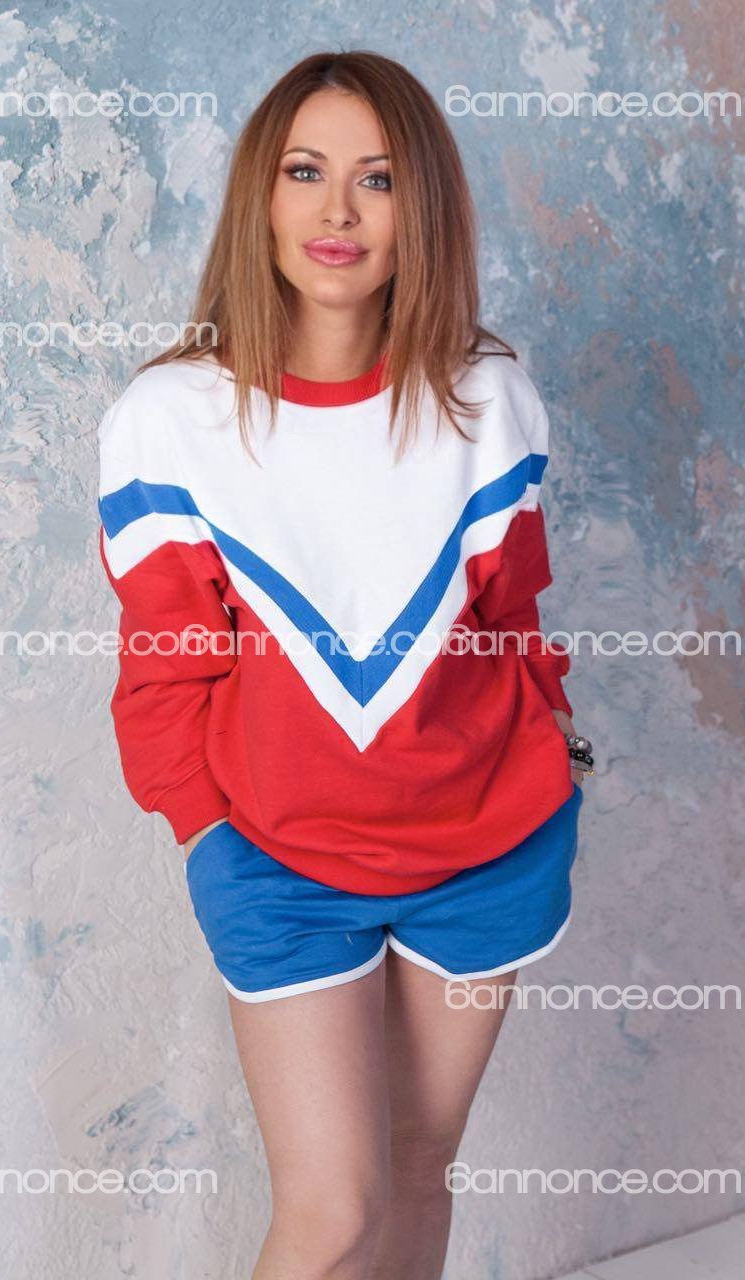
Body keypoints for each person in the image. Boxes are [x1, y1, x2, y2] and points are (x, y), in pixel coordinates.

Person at [97, 49, 593, 1280]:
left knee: (419, 1170)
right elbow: (161, 668)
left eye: (377, 179)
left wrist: (554, 749)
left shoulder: (488, 397)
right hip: (280, 863)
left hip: (486, 850)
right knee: (332, 1212)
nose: (338, 210)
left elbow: (513, 620)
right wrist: (208, 828)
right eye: (305, 171)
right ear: (259, 197)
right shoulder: (171, 419)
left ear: (421, 208)